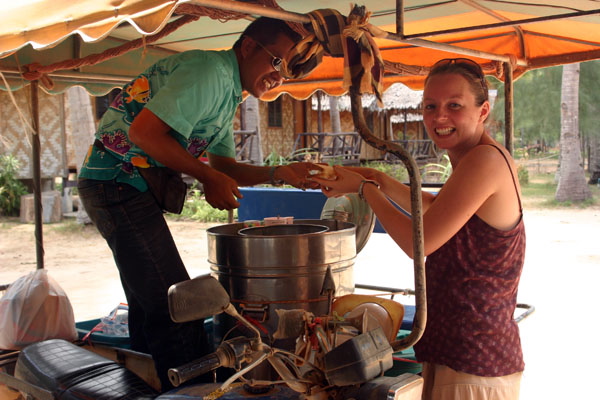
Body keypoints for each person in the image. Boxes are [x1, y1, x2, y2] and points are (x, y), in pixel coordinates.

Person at [77, 17, 320, 392]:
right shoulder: (208, 72)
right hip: (115, 182)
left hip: (128, 187)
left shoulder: (228, 91)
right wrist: (207, 178)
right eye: (277, 62)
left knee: (149, 299)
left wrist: (281, 174)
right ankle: (196, 391)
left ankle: (148, 382)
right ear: (249, 47)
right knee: (178, 303)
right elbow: (144, 132)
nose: (280, 76)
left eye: (288, 71)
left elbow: (225, 167)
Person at [313, 58, 525, 399]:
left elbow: (420, 244)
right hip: (459, 353)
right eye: (430, 106)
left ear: (483, 111)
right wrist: (375, 178)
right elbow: (433, 208)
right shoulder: (476, 159)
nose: (439, 117)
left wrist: (366, 191)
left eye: (454, 106)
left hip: (475, 360)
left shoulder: (484, 161)